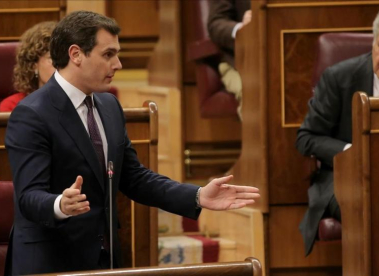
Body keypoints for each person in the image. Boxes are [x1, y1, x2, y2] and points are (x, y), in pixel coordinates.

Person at [5, 11, 260, 275]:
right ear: (76, 54)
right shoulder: (32, 113)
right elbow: (28, 196)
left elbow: (135, 178)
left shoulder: (109, 106)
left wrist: (197, 195)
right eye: (108, 54)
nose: (118, 64)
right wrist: (60, 204)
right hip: (49, 263)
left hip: (104, 261)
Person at [296, 4, 379, 256]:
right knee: (374, 206)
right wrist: (351, 152)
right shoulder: (339, 78)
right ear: (373, 42)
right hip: (346, 179)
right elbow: (306, 138)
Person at [207, 0, 251, 119]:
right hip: (237, 62)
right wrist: (242, 29)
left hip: (288, 59)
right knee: (253, 91)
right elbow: (216, 24)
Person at [0, 21, 56, 112]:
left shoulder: (81, 104)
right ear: (34, 65)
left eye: (65, 58)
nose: (60, 64)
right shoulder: (12, 107)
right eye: (52, 58)